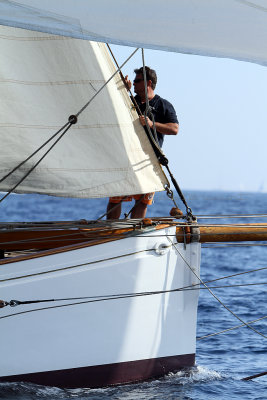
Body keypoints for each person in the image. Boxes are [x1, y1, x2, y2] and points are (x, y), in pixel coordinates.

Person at [106, 66, 179, 219]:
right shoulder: (131, 102)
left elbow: (174, 129)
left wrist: (152, 124)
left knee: (142, 201)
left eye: (137, 81)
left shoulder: (163, 105)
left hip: (149, 160)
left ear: (148, 83)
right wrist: (124, 91)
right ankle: (110, 231)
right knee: (115, 198)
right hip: (127, 157)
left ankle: (134, 233)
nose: (134, 83)